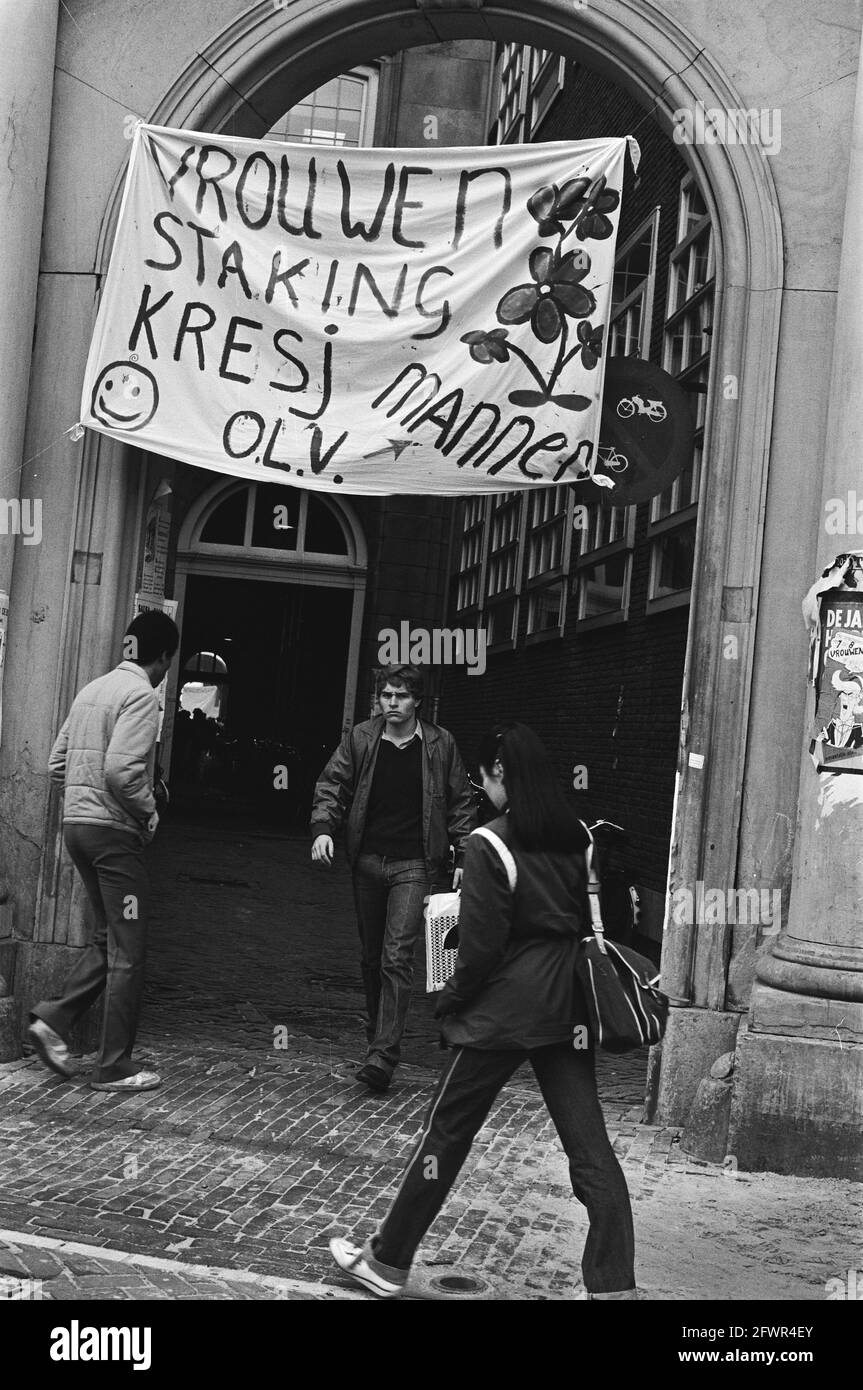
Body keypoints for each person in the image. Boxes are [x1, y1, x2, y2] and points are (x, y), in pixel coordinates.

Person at [329, 722, 638, 1299]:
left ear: (500, 773)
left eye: (483, 777)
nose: (482, 787)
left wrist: (449, 1003)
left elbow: (478, 948)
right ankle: (614, 1286)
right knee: (592, 1151)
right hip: (564, 1008)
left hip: (501, 1012)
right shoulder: (579, 835)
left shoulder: (487, 842)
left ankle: (388, 1259)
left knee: (444, 1136)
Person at [27, 609, 180, 1093]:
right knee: (129, 950)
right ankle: (115, 1066)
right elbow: (121, 772)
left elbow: (56, 764)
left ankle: (52, 1020)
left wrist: (82, 796)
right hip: (114, 835)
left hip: (77, 828)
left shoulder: (92, 689)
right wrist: (148, 809)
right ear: (163, 658)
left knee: (106, 937)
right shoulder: (143, 695)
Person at [310, 664, 474, 1092]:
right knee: (370, 958)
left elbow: (460, 801)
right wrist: (323, 829)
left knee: (396, 956)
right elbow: (333, 784)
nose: (392, 704)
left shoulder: (440, 745)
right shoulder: (362, 738)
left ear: (417, 700)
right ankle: (377, 1038)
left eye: (401, 697)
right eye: (386, 696)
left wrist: (464, 852)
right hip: (367, 862)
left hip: (415, 866)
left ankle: (384, 1056)